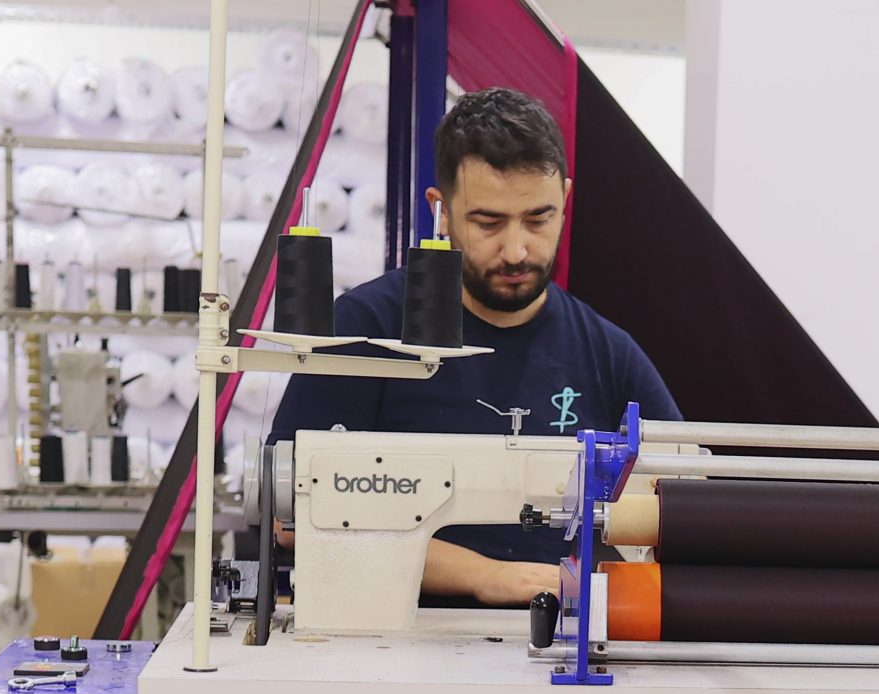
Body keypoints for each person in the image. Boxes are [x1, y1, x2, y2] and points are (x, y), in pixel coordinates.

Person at [267, 87, 679, 606]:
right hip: (395, 638)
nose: (516, 250)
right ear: (440, 210)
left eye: (538, 219)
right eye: (488, 223)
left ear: (566, 200)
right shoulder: (366, 330)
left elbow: (687, 502)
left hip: (561, 635)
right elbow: (293, 517)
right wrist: (487, 577)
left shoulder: (608, 354)